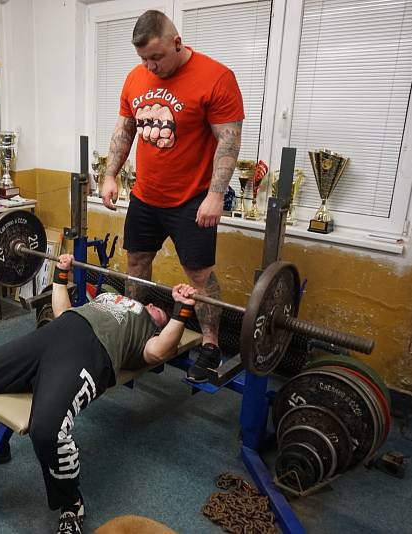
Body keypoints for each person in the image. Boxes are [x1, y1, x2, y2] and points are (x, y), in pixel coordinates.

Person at [0, 254, 197, 534]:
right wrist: (61, 273)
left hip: (89, 350)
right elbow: (61, 310)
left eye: (161, 312)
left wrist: (181, 311)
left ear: (160, 323)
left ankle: (71, 503)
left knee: (47, 432)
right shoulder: (106, 299)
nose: (154, 306)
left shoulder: (146, 331)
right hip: (56, 331)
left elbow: (159, 352)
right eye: (155, 304)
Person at [99, 10, 244, 384]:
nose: (151, 65)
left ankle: (210, 345)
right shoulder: (136, 77)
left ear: (177, 43)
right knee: (136, 262)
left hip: (193, 199)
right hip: (146, 196)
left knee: (199, 275)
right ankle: (135, 325)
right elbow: (125, 129)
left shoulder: (216, 77)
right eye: (144, 59)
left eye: (157, 57)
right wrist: (110, 174)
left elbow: (228, 141)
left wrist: (215, 195)